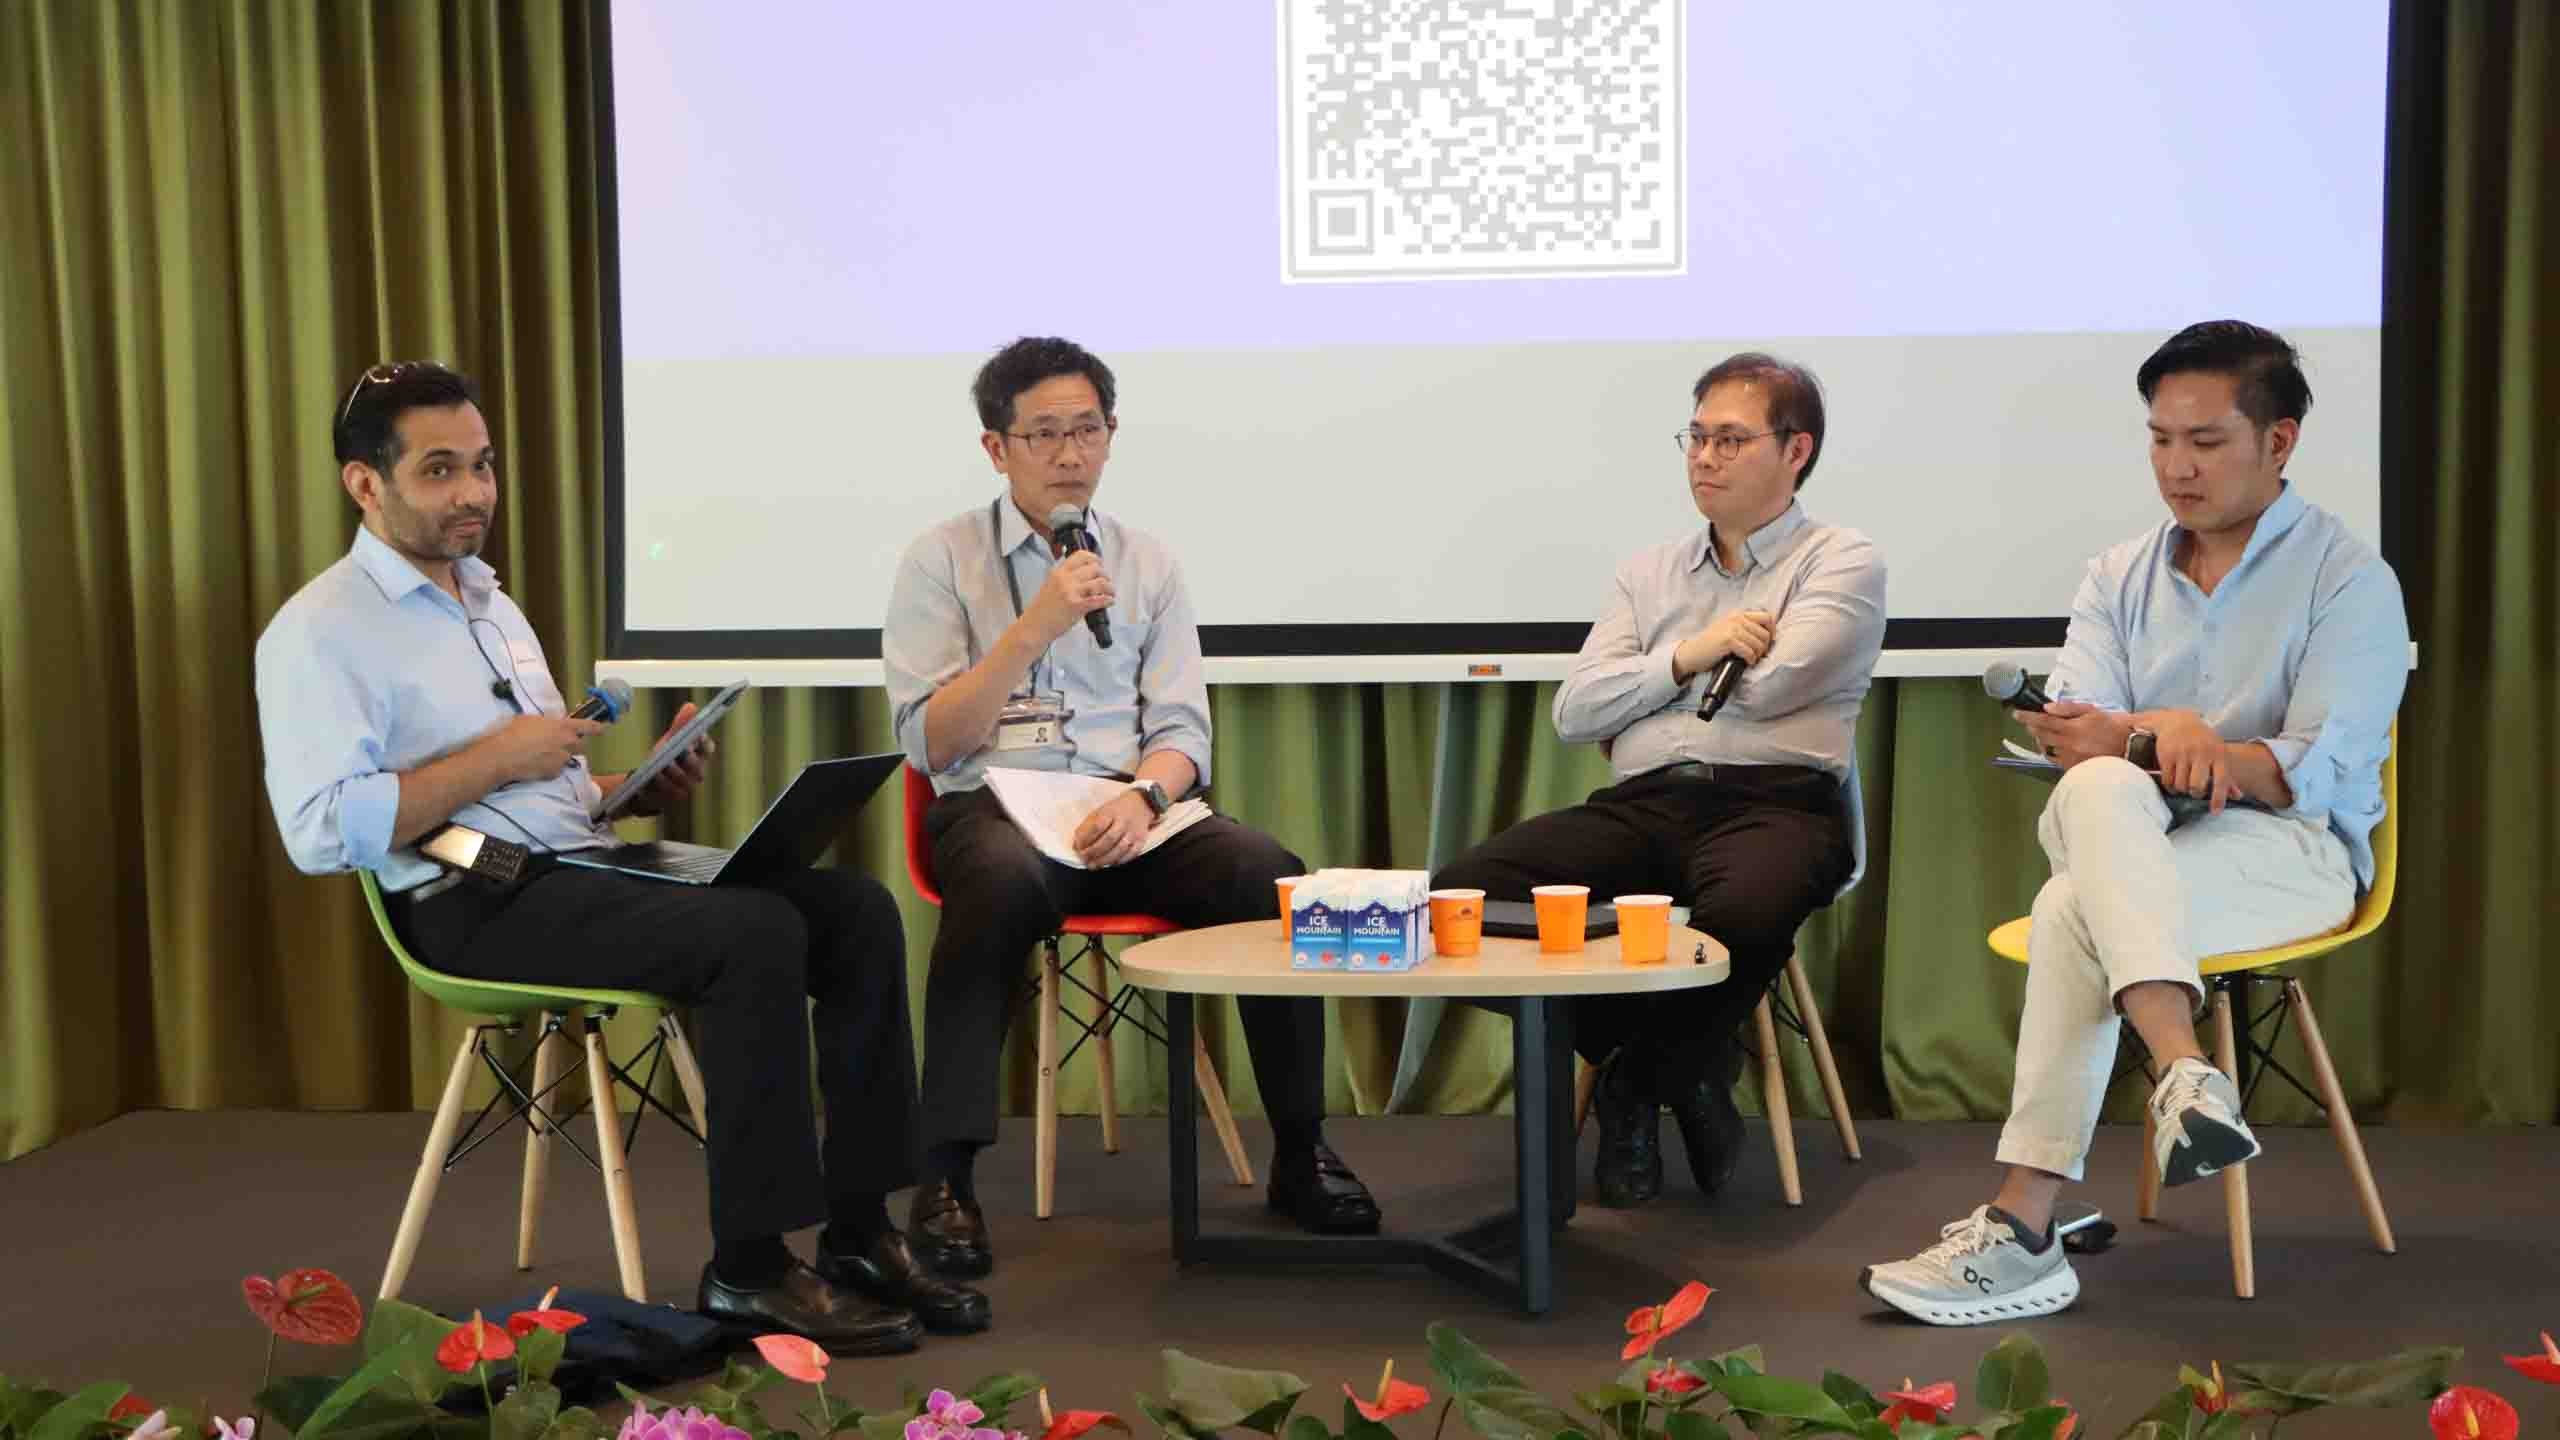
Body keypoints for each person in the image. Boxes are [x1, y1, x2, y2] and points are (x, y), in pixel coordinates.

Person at [255, 362, 987, 1353]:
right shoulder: (320, 632)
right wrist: (498, 757)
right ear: (364, 484)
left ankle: (858, 1233)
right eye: (440, 470)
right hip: (470, 897)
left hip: (574, 864)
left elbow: (542, 789)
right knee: (751, 933)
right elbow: (320, 829)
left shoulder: (488, 601)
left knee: (855, 909)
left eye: (483, 465)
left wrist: (631, 787)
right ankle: (750, 1270)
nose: (475, 492)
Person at [1861, 320, 2409, 1325]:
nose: (2175, 467)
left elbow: (2315, 772)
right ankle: (2185, 1074)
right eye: (2159, 439)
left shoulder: (2349, 580)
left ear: (2278, 441)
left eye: (2204, 441)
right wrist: (2157, 739)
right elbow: (2083, 746)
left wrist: (2199, 749)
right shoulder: (2117, 573)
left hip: (2288, 853)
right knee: (2101, 793)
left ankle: (2026, 1225)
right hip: (2131, 834)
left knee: (2073, 910)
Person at [882, 336, 1380, 1277]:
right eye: (1044, 434)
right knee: (994, 883)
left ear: (1111, 435)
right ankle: (945, 1177)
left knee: (1269, 874)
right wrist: (1035, 628)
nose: (1070, 454)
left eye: (1088, 430)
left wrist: (1147, 797)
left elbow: (1184, 732)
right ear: (997, 448)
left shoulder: (1147, 561)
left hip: (1128, 809)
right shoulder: (940, 559)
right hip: (996, 808)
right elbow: (930, 743)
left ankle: (1301, 1150)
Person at [1432, 353, 1886, 1208]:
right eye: (1696, 437)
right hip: (1646, 803)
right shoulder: (1647, 573)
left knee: (1744, 917)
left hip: (1778, 805)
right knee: (1458, 903)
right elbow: (1576, 712)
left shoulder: (1842, 560)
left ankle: (1635, 1087)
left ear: (1796, 450)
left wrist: (1641, 691)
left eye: (1731, 440)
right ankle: (1684, 1063)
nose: (1704, 458)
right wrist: (1694, 653)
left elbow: (1774, 686)